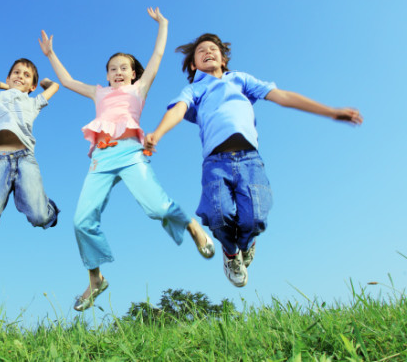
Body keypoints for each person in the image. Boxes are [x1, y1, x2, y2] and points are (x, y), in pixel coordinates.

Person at [145, 33, 363, 287]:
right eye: (201, 51)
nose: (208, 52)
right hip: (216, 163)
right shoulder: (194, 89)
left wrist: (331, 112)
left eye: (213, 49)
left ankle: (246, 244)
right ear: (193, 65)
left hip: (250, 160)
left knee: (254, 218)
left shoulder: (240, 80)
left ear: (223, 58)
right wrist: (158, 133)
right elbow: (178, 109)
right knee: (219, 216)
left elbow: (283, 97)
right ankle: (230, 254)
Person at [39, 7, 214, 312]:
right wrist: (51, 54)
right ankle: (95, 279)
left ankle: (193, 226)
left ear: (134, 73)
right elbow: (66, 81)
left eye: (124, 68)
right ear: (106, 75)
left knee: (157, 207)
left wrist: (163, 24)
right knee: (81, 220)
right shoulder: (98, 93)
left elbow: (158, 56)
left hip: (131, 153)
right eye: (112, 68)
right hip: (101, 159)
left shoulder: (139, 88)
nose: (118, 72)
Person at [0, 58, 60, 234]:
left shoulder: (33, 102)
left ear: (32, 87)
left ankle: (49, 209)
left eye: (27, 75)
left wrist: (42, 83)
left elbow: (54, 86)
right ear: (8, 78)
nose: (20, 76)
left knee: (40, 218)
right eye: (16, 73)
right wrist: (10, 86)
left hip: (24, 158)